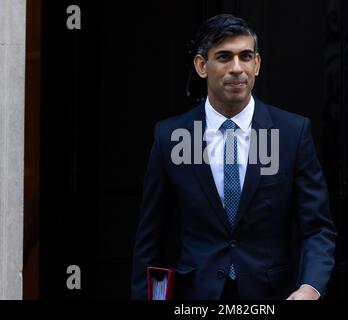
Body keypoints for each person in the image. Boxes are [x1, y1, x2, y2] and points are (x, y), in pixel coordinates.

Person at [131, 14, 336, 300]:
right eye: (224, 57)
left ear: (258, 64)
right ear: (202, 66)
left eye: (245, 56)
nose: (237, 68)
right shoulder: (170, 136)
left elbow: (317, 228)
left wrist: (310, 288)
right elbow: (150, 238)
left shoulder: (292, 132)